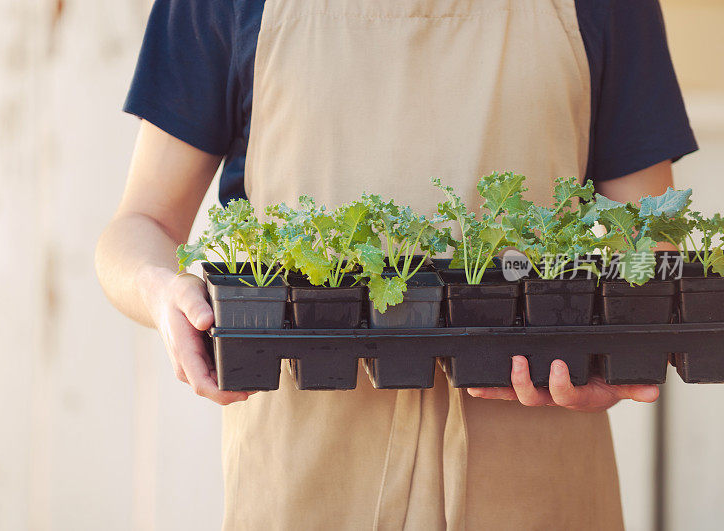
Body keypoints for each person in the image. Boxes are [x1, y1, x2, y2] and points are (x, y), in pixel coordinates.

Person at [95, 0, 697, 528]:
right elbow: (140, 225)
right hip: (306, 483)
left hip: (537, 481)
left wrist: (614, 363)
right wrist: (158, 287)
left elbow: (650, 247)